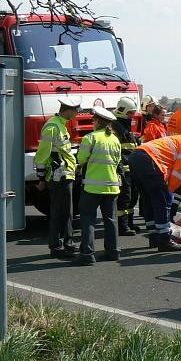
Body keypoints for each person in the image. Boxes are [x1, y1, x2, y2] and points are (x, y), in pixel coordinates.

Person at [129, 125, 181, 251]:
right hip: (149, 159)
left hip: (137, 156)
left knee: (148, 199)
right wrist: (169, 190)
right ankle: (164, 240)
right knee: (162, 200)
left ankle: (154, 237)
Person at [34, 98, 81, 258]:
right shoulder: (53, 127)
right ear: (68, 110)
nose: (77, 114)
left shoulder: (60, 125)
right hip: (58, 176)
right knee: (59, 211)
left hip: (64, 175)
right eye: (76, 111)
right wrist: (40, 178)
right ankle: (57, 246)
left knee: (66, 211)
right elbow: (42, 155)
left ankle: (67, 243)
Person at [76, 107, 123, 264]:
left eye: (93, 120)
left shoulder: (90, 138)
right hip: (111, 186)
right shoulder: (115, 139)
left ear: (97, 121)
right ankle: (113, 252)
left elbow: (81, 159)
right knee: (110, 220)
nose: (92, 122)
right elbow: (117, 162)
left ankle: (87, 255)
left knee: (88, 219)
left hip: (92, 187)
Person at [113, 96, 140, 236]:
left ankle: (129, 223)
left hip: (132, 167)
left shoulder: (125, 126)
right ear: (123, 111)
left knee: (133, 197)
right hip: (123, 168)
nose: (132, 116)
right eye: (130, 113)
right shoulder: (115, 126)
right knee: (124, 198)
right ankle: (122, 227)